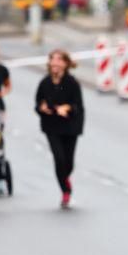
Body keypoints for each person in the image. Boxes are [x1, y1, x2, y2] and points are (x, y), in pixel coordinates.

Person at [35, 49, 85, 208]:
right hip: (52, 126)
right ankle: (65, 191)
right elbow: (38, 103)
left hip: (70, 126)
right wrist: (42, 108)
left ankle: (65, 178)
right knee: (59, 158)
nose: (55, 62)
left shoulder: (72, 83)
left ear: (65, 64)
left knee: (69, 162)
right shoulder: (44, 83)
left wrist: (67, 108)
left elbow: (78, 106)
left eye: (59, 60)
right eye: (53, 59)